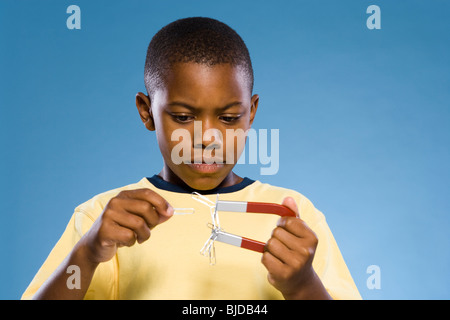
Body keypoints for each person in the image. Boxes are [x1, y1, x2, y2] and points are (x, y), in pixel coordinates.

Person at [22, 17, 361, 300]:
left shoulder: (294, 217)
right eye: (183, 117)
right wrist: (88, 253)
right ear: (147, 112)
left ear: (251, 113)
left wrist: (303, 286)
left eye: (228, 118)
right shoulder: (103, 220)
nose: (207, 139)